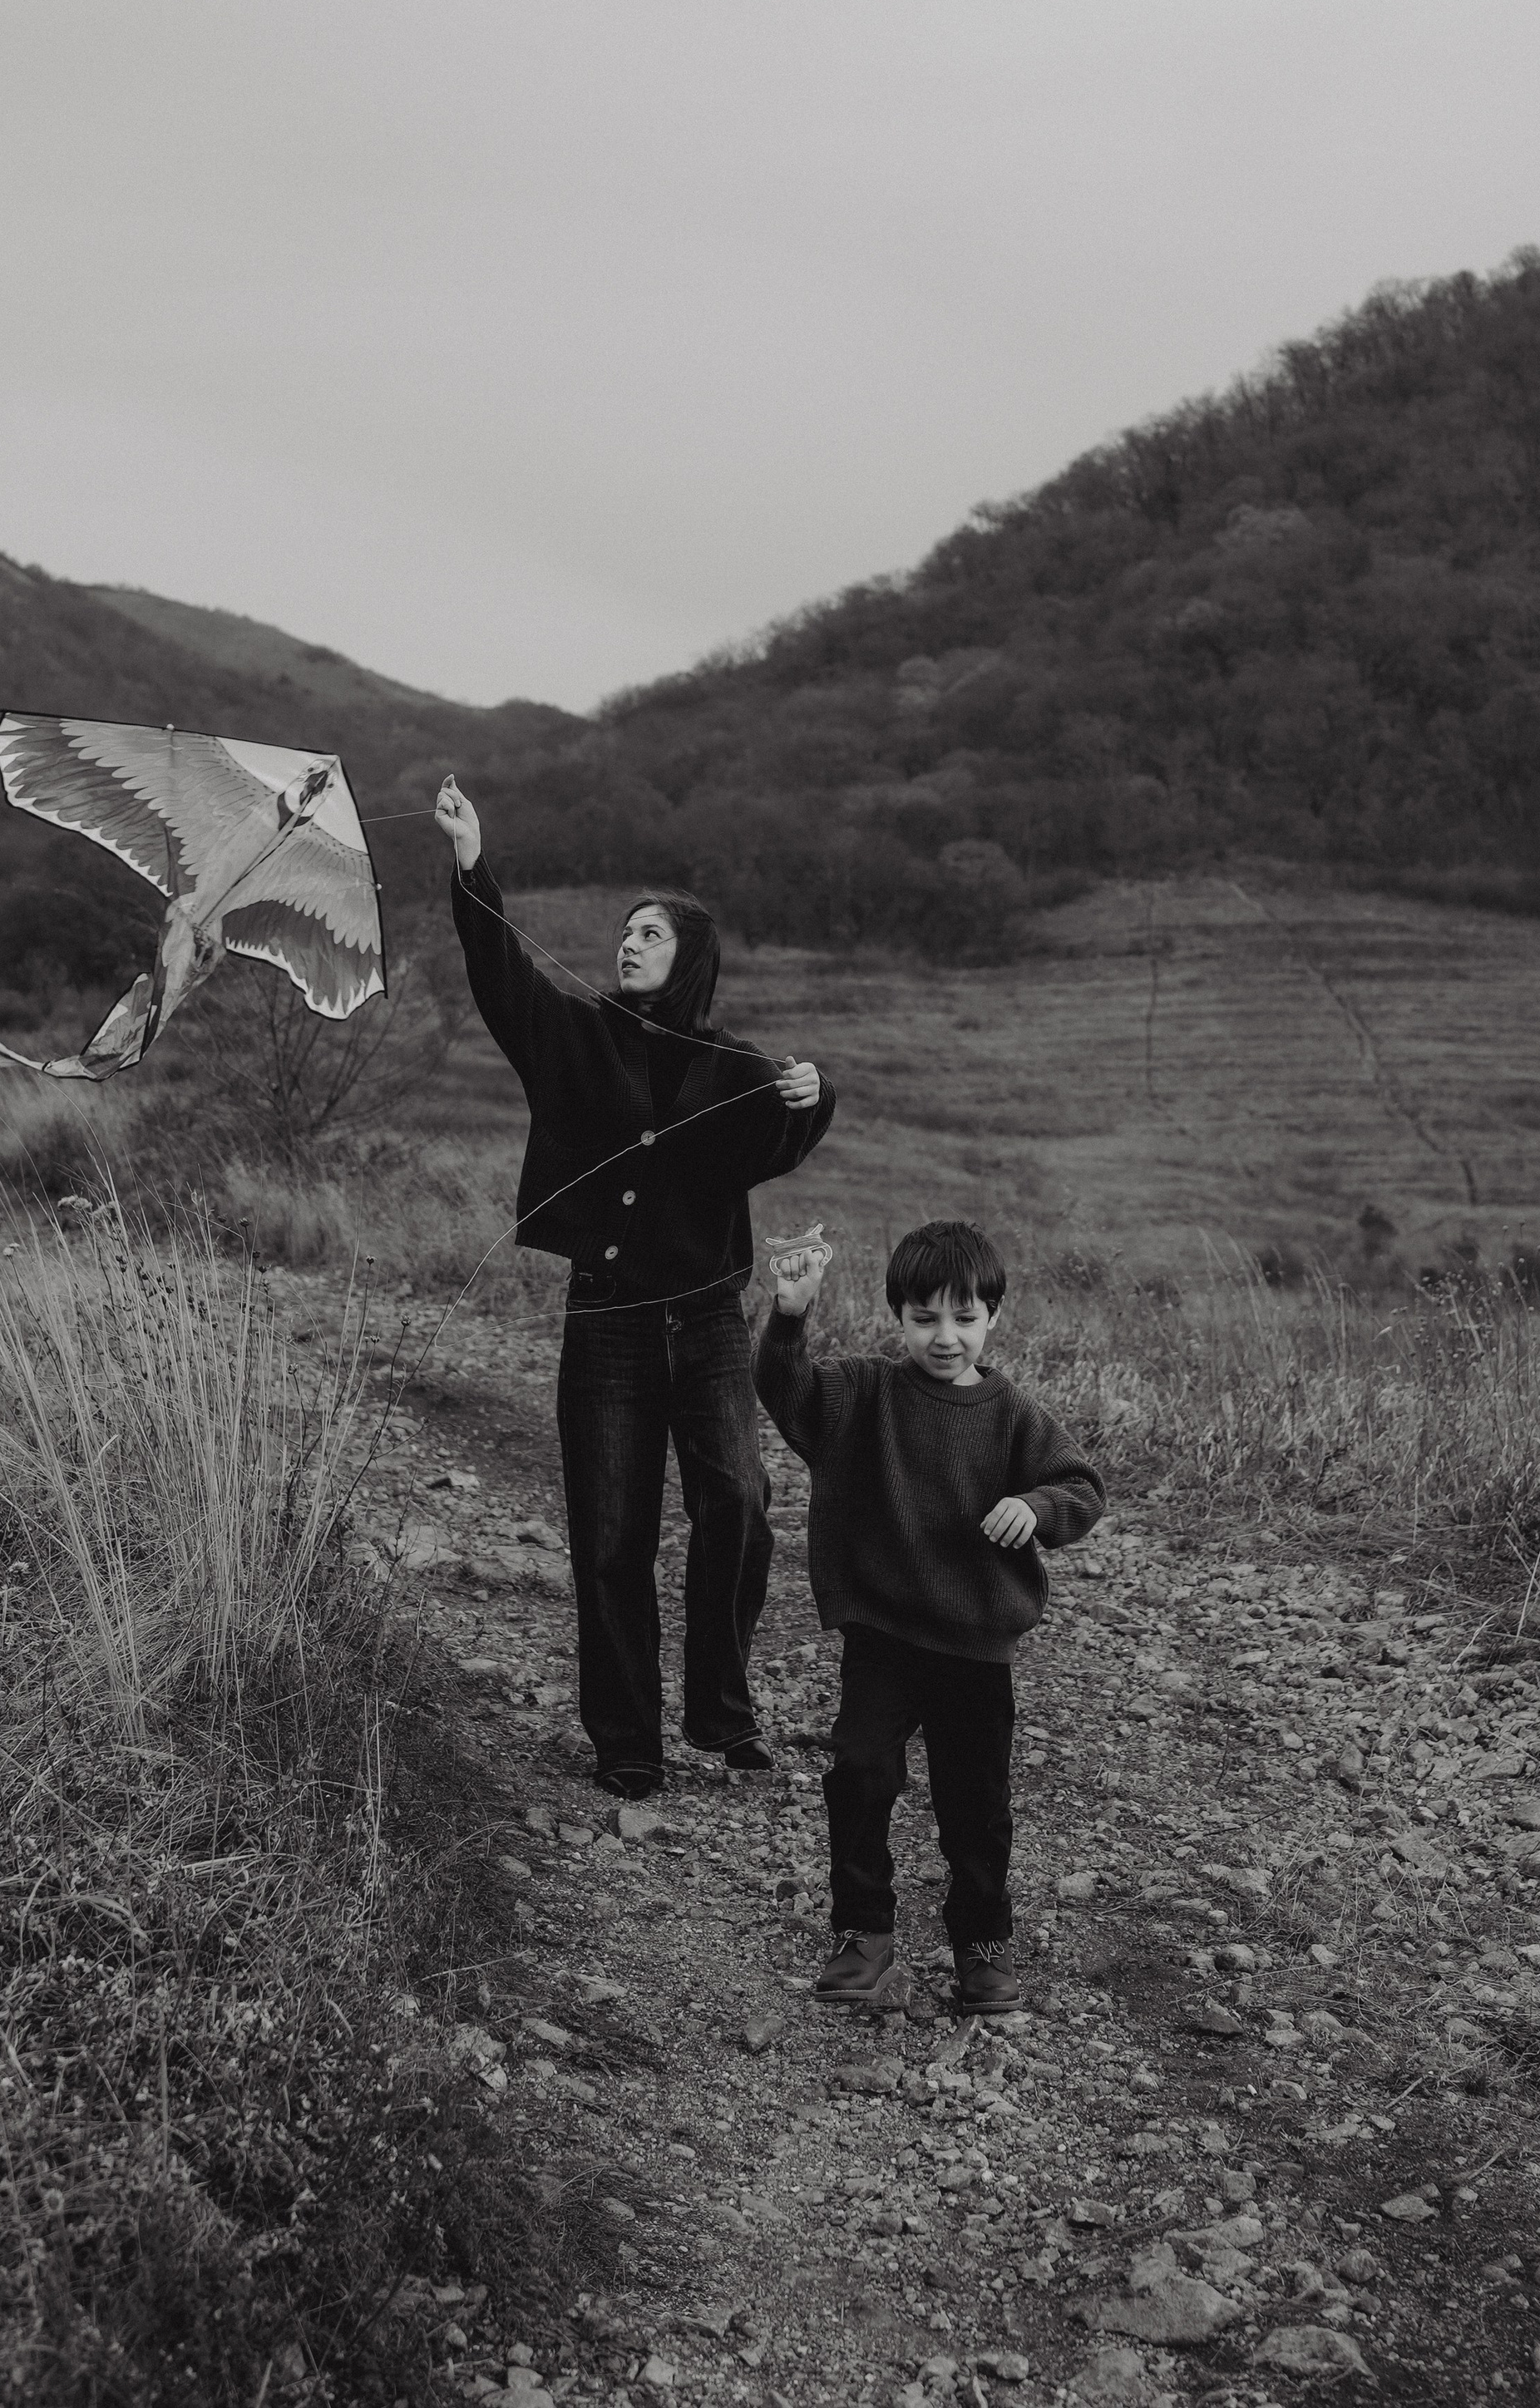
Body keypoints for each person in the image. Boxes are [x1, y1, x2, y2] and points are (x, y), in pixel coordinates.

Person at [435, 775, 836, 1799]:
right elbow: (501, 973)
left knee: (738, 1502)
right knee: (611, 1536)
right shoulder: (573, 1034)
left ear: (689, 956)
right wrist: (472, 861)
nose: (628, 943)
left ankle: (719, 1708)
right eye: (624, 931)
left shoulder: (735, 1067)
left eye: (650, 933)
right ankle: (627, 1739)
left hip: (707, 1322)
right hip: (606, 1325)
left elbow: (782, 1136)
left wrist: (813, 1093)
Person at [753, 1217, 1104, 2011]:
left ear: (993, 1317)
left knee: (975, 1803)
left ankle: (982, 1942)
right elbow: (787, 1390)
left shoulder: (1013, 1412)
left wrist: (1036, 1506)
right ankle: (862, 1931)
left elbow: (1081, 1487)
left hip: (977, 1644)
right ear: (898, 1316)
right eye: (925, 1317)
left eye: (965, 1317)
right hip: (884, 1633)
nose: (946, 1336)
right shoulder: (865, 1392)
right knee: (860, 1772)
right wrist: (790, 1316)